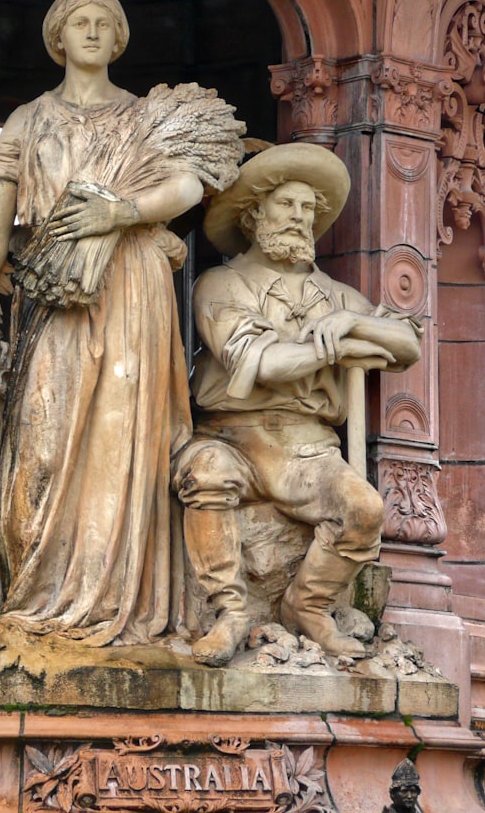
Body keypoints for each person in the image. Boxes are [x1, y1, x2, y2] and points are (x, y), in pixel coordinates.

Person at [0, 0, 243, 645]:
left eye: (104, 24)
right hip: (55, 297)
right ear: (58, 39)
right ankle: (35, 600)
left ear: (119, 40)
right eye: (78, 23)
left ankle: (121, 608)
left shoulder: (146, 117)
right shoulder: (30, 121)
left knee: (124, 436)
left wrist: (121, 214)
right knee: (39, 441)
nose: (91, 32)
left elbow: (187, 187)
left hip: (131, 288)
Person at [173, 143, 422, 665]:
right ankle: (230, 610)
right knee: (205, 472)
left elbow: (408, 345)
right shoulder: (221, 284)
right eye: (287, 205)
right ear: (253, 214)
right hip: (233, 435)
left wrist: (352, 324)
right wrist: (324, 349)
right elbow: (261, 363)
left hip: (310, 447)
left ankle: (308, 606)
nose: (300, 218)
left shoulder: (337, 296)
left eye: (308, 209)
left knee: (365, 509)